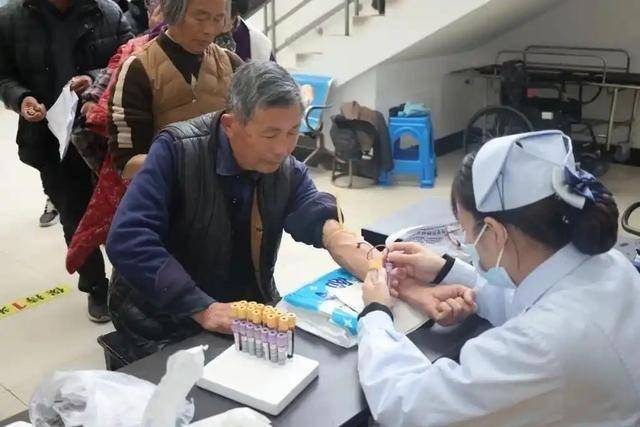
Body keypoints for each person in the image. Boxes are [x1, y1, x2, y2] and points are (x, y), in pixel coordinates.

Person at [358, 130, 640, 426]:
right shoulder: (610, 266)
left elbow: (408, 405)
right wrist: (446, 270)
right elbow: (528, 301)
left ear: (494, 231)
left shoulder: (541, 344)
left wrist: (375, 314)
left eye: (465, 230)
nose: (466, 241)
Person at [106, 61, 378, 360]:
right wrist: (202, 307)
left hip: (242, 305)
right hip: (163, 316)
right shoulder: (177, 150)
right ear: (230, 125)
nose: (283, 149)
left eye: (292, 132)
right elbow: (128, 238)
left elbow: (315, 215)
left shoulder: (285, 169)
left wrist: (361, 256)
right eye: (270, 134)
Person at [0, 0, 133, 322]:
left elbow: (129, 61)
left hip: (104, 136)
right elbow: (4, 76)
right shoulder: (10, 19)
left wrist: (93, 79)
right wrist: (21, 98)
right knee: (74, 215)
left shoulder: (107, 12)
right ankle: (95, 286)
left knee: (124, 213)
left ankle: (132, 281)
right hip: (50, 138)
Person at [108, 0, 241, 174]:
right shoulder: (138, 69)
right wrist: (189, 160)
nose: (209, 29)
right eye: (200, 18)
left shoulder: (230, 64)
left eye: (218, 19)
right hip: (165, 188)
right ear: (173, 11)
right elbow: (126, 163)